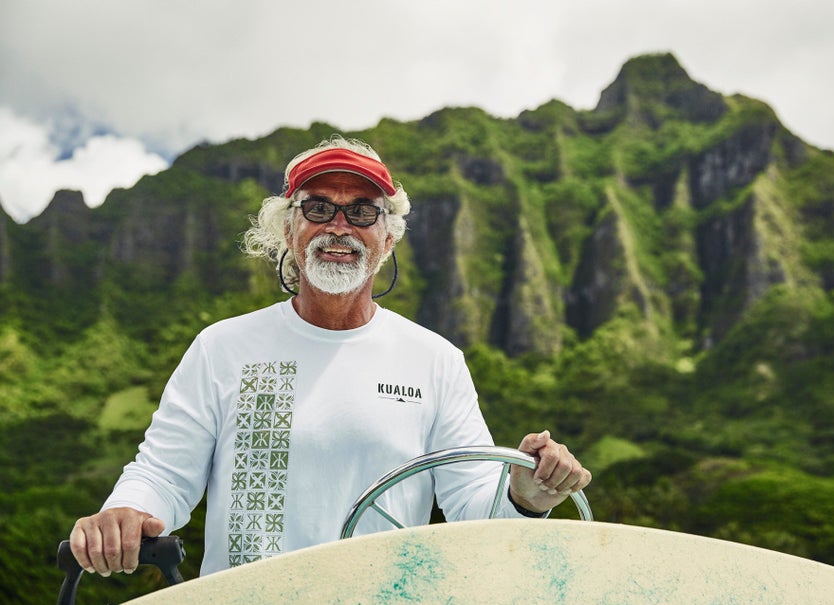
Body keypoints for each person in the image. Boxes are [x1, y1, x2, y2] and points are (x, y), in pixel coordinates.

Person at [69, 135, 591, 577]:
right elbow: (163, 473)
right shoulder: (221, 347)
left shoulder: (436, 360)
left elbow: (474, 507)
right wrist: (123, 513)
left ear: (387, 238)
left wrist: (526, 494)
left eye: (363, 211)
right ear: (288, 229)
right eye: (318, 208)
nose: (339, 225)